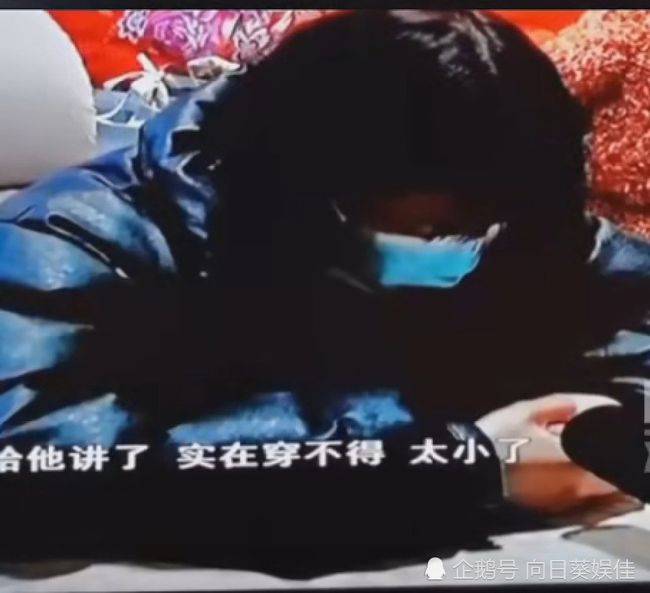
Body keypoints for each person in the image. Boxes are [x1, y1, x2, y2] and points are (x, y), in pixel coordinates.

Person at [0, 10, 647, 567]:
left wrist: (608, 432)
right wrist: (460, 467)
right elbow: (34, 469)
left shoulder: (519, 218)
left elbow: (624, 305)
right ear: (313, 186)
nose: (461, 249)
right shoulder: (77, 236)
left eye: (480, 226)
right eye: (426, 228)